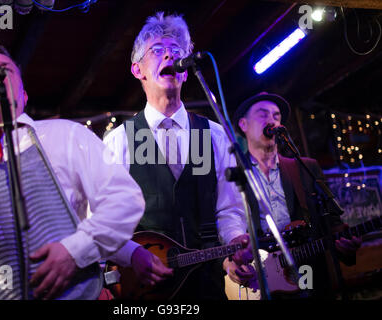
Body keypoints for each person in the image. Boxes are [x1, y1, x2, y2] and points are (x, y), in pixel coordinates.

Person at [0, 43, 145, 300]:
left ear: (23, 95)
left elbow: (124, 199)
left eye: (6, 69)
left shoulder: (67, 135)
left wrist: (75, 252)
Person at [103, 12, 245, 300]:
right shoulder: (118, 140)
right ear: (137, 70)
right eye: (157, 50)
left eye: (177, 51)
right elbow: (104, 219)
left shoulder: (214, 134)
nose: (169, 55)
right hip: (146, 290)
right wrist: (132, 255)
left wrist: (234, 245)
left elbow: (228, 210)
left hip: (207, 285)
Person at [223, 92, 362, 299]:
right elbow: (222, 223)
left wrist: (346, 245)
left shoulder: (306, 167)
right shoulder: (232, 173)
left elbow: (332, 222)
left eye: (276, 115)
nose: (271, 119)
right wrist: (229, 262)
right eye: (262, 114)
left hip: (309, 273)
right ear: (243, 124)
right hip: (259, 281)